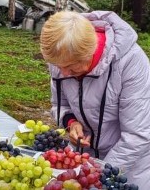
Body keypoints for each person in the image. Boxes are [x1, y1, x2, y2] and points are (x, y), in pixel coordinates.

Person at [40, 10, 150, 188]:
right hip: (86, 163)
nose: (64, 73)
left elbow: (137, 135)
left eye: (70, 66)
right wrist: (71, 122)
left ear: (90, 52)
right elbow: (59, 104)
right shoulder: (62, 59)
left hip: (128, 168)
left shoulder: (131, 63)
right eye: (58, 66)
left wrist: (98, 173)